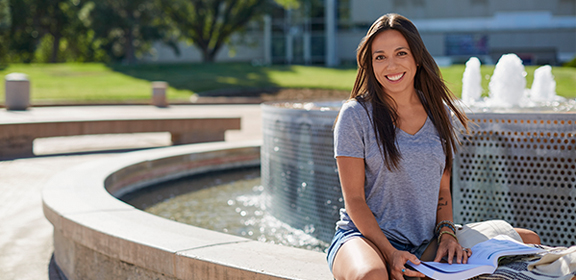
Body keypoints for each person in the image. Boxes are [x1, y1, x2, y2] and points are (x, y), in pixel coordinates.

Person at [327, 13, 540, 280]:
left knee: (529, 241)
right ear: (370, 64)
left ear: (416, 58)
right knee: (372, 275)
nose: (391, 65)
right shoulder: (355, 115)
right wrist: (390, 252)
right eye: (380, 57)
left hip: (424, 245)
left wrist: (448, 235)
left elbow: (442, 191)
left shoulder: (439, 114)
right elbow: (354, 200)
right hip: (365, 239)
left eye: (400, 53)